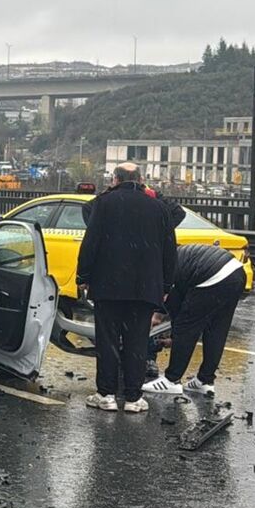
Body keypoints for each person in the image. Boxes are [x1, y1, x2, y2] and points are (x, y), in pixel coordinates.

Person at [76, 162, 176, 413]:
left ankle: (106, 394)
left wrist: (83, 276)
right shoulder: (159, 208)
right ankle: (133, 397)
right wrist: (166, 285)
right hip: (144, 288)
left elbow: (91, 242)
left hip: (107, 285)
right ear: (142, 181)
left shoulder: (104, 203)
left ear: (115, 180)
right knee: (137, 342)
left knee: (107, 340)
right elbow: (169, 250)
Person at [142, 244, 247, 398]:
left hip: (212, 276)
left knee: (186, 327)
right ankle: (205, 381)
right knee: (217, 330)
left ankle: (172, 380)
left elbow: (181, 319)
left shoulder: (162, 273)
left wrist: (175, 337)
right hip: (236, 273)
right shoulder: (173, 257)